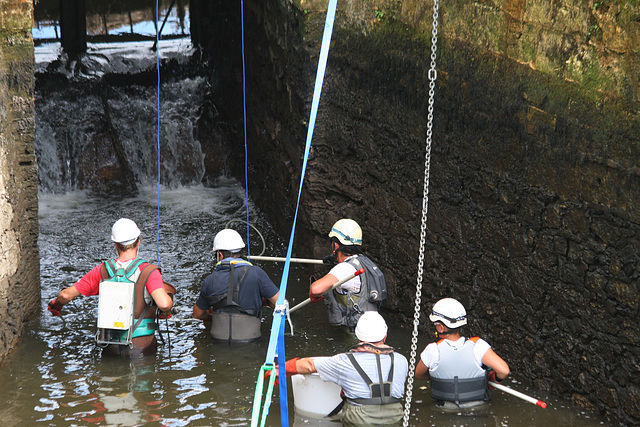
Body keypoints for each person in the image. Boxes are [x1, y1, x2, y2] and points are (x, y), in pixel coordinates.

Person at [47, 218, 174, 357]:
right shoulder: (149, 272)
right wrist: (167, 308)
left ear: (115, 245)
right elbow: (164, 304)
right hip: (141, 348)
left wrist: (56, 306)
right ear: (138, 241)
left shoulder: (101, 271)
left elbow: (65, 295)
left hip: (109, 346)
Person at [276, 311, 408, 426]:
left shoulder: (345, 362)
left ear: (358, 337)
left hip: (360, 419)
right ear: (385, 336)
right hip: (394, 415)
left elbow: (309, 365)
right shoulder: (402, 360)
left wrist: (279, 370)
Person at [415, 297, 510, 409]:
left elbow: (419, 375)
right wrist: (490, 379)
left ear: (440, 327)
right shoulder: (478, 345)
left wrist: (441, 378)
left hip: (445, 408)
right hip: (479, 407)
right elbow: (504, 371)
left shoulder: (432, 349)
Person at [192, 228, 279, 342]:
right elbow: (281, 303)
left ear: (220, 255)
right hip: (251, 340)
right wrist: (262, 302)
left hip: (218, 341)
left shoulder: (209, 280)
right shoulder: (257, 273)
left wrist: (212, 317)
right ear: (240, 253)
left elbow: (197, 314)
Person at [309, 219, 387, 330]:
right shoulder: (362, 262)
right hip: (372, 327)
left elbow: (315, 290)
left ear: (335, 245)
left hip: (355, 331)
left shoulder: (344, 269)